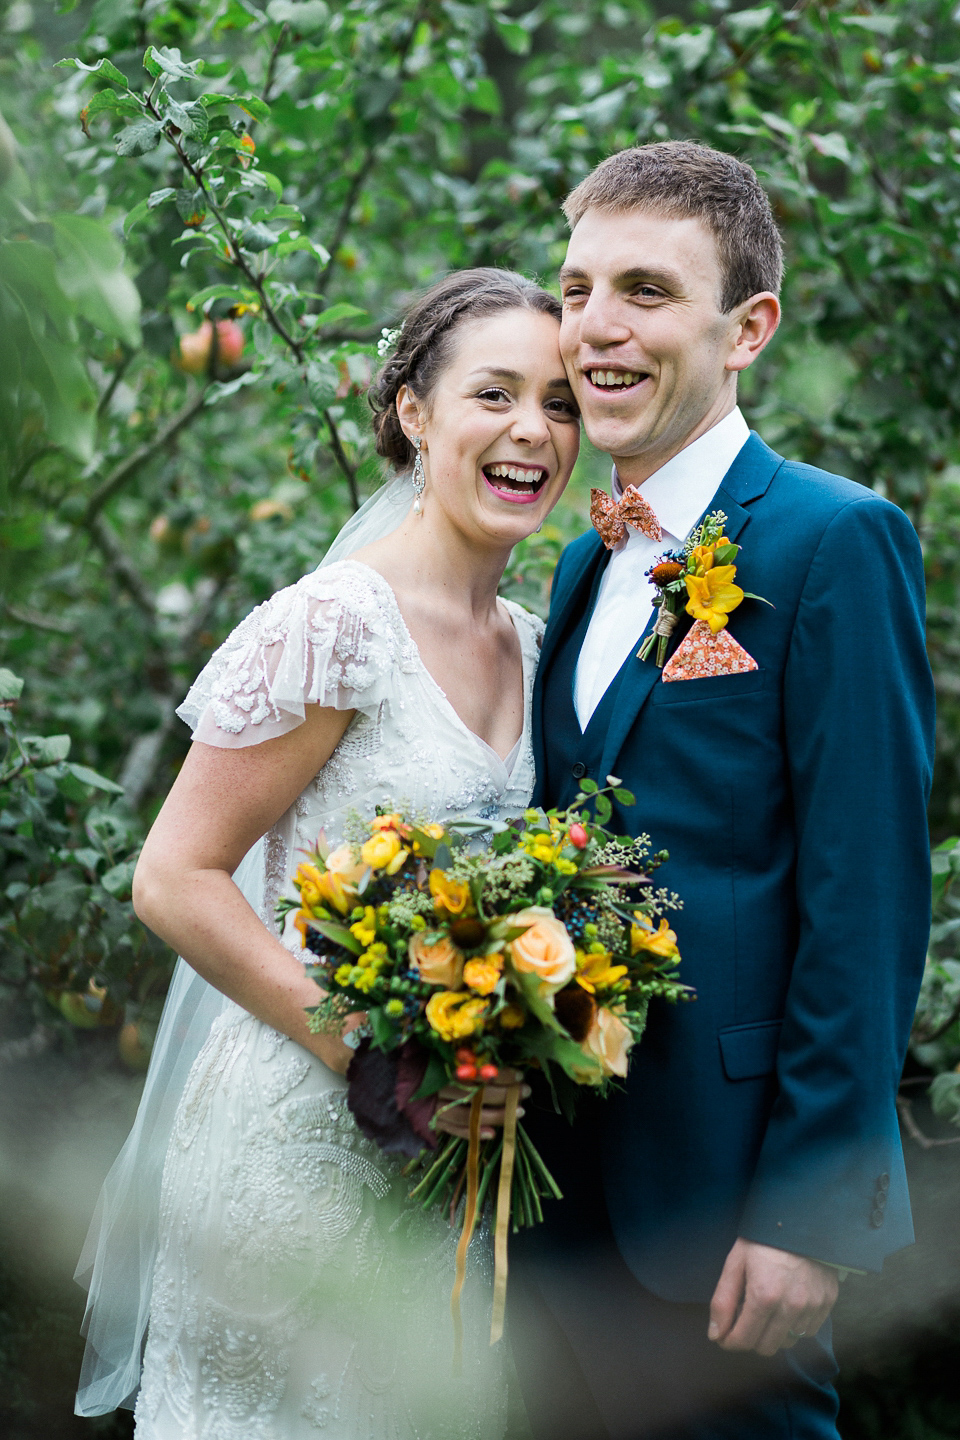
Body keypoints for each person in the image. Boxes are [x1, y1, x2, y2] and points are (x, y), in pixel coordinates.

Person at [73, 267, 581, 1438]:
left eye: (558, 404)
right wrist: (377, 1060)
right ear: (413, 411)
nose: (531, 432)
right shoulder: (334, 624)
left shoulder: (535, 642)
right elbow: (174, 877)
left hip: (447, 1172)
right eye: (494, 394)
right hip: (298, 1141)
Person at [509, 141, 935, 1440]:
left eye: (644, 290)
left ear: (748, 328)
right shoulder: (585, 566)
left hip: (724, 1200)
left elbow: (865, 897)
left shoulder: (834, 540)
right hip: (547, 1191)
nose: (595, 328)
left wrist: (811, 1215)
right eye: (576, 291)